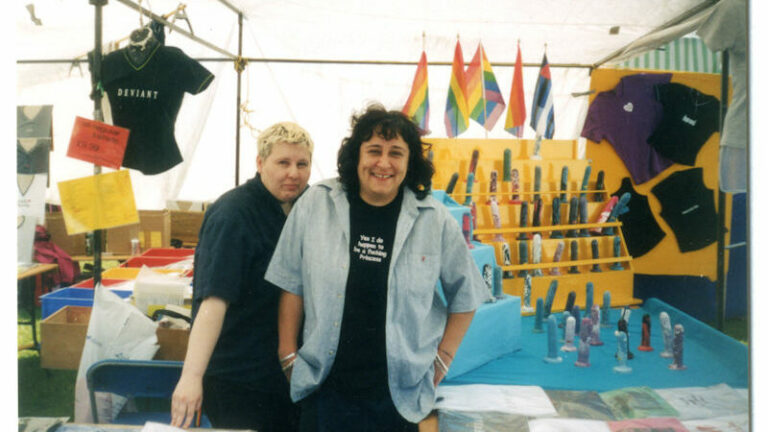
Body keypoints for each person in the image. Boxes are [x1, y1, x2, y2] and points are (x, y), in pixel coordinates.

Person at [265, 104, 486, 431]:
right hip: (324, 389)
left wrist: (443, 359)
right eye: (374, 151)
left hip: (399, 396)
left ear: (410, 161)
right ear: (357, 156)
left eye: (396, 152)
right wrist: (287, 354)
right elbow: (291, 282)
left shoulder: (434, 220)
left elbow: (467, 296)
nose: (384, 163)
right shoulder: (317, 203)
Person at [170, 122, 314, 431]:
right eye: (283, 163)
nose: (294, 173)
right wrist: (191, 377)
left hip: (285, 373)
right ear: (260, 163)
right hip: (239, 378)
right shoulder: (233, 215)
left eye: (302, 164)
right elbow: (212, 302)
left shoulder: (306, 207)